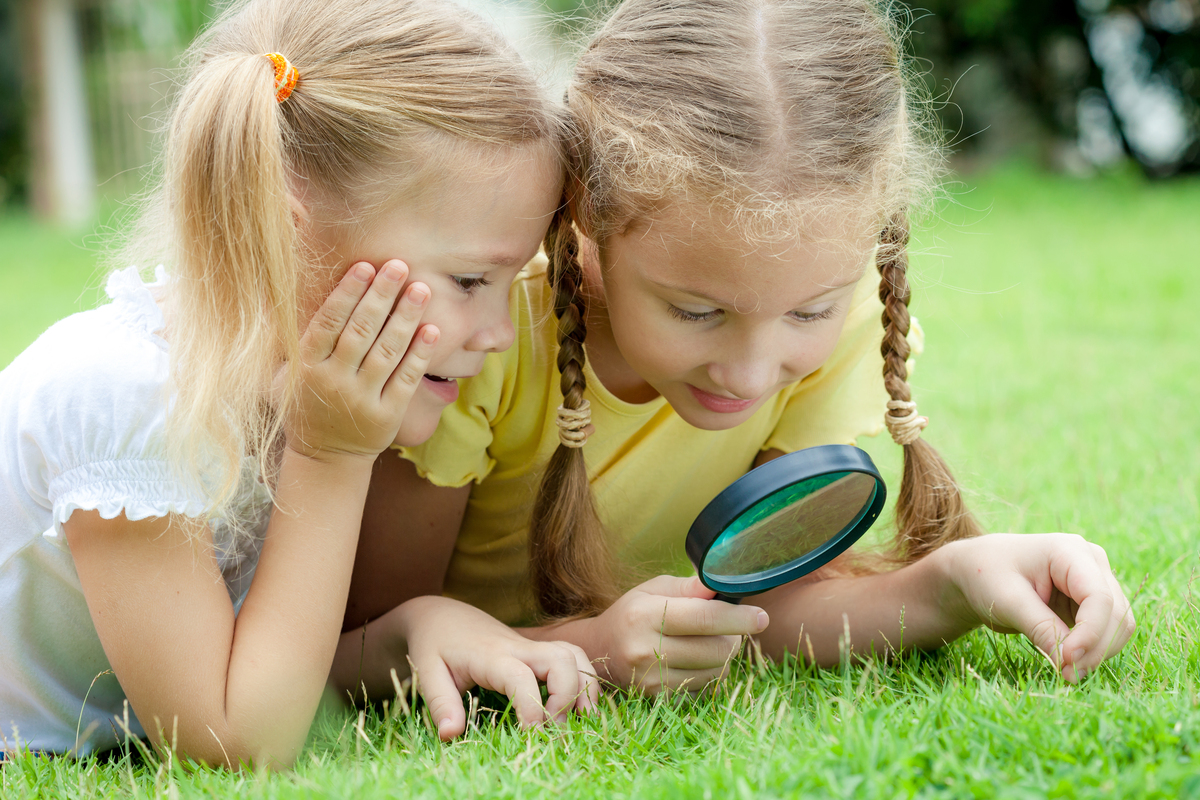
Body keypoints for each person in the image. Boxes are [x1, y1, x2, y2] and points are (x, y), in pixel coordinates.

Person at [344, 0, 1136, 694]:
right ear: (588, 208)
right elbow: (369, 632)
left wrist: (954, 584)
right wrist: (589, 647)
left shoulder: (854, 321)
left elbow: (770, 607)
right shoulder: (484, 333)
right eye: (695, 311)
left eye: (809, 310)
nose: (752, 374)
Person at [0, 0, 599, 768]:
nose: (499, 335)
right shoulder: (126, 398)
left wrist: (413, 628)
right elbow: (233, 741)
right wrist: (331, 459)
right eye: (469, 279)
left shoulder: (305, 379)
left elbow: (261, 660)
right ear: (283, 237)